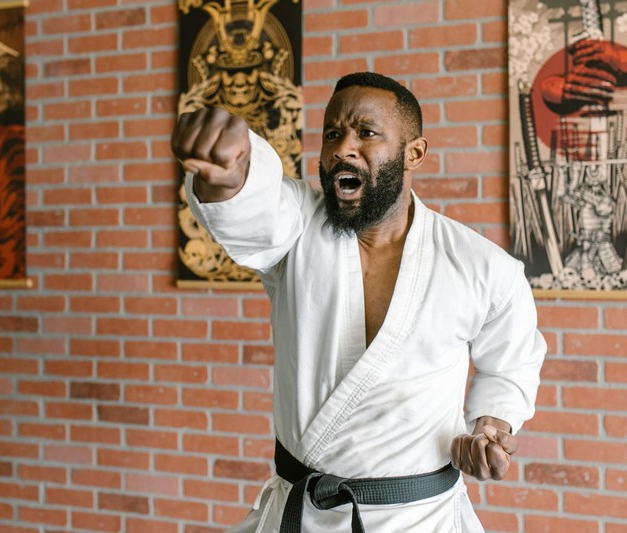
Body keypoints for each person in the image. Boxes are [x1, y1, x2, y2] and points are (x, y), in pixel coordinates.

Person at [171, 72, 546, 532]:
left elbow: (510, 365)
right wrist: (230, 176)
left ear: (414, 154)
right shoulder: (300, 229)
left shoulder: (484, 267)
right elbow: (258, 208)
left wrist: (490, 428)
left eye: (366, 133)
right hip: (302, 515)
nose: (342, 149)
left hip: (419, 518)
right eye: (333, 133)